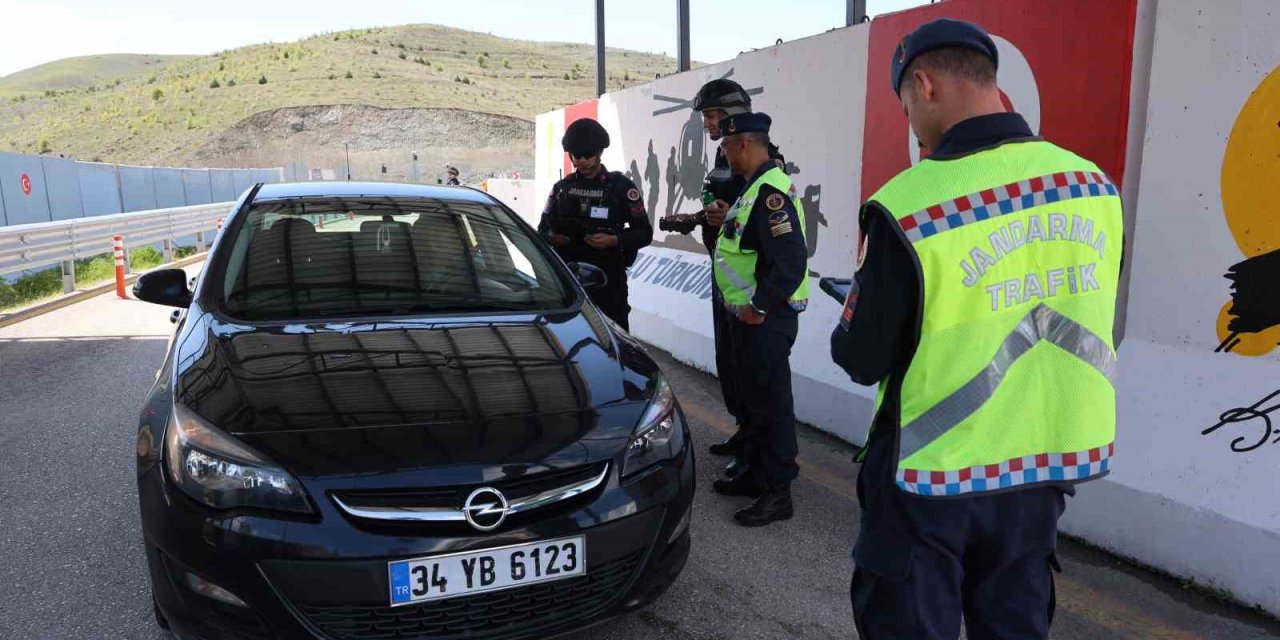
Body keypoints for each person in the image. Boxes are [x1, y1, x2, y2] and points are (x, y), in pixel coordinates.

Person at [830, 19, 1123, 639]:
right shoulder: (1093, 185)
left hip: (928, 478)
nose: (911, 120)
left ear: (925, 84)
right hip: (1038, 475)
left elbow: (861, 355)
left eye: (906, 102)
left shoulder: (912, 203)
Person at [708, 111, 809, 527]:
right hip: (748, 319)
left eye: (728, 147)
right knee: (753, 402)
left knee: (770, 406)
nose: (726, 154)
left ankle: (777, 492)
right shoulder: (752, 191)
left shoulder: (770, 194)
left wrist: (760, 306)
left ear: (745, 144)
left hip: (765, 320)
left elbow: (790, 261)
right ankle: (755, 473)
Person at [689, 79, 788, 473]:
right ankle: (745, 431)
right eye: (707, 118)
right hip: (727, 279)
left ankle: (763, 459)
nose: (710, 124)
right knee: (729, 364)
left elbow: (760, 223)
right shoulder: (723, 154)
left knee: (754, 376)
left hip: (753, 287)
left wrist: (726, 214)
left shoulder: (764, 159)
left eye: (714, 115)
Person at [538, 118, 653, 330]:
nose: (580, 161)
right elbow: (541, 231)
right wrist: (554, 238)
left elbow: (644, 233)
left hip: (609, 281)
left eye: (586, 155)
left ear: (599, 152)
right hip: (569, 280)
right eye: (575, 156)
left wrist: (615, 240)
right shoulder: (562, 188)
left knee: (615, 340)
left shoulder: (621, 187)